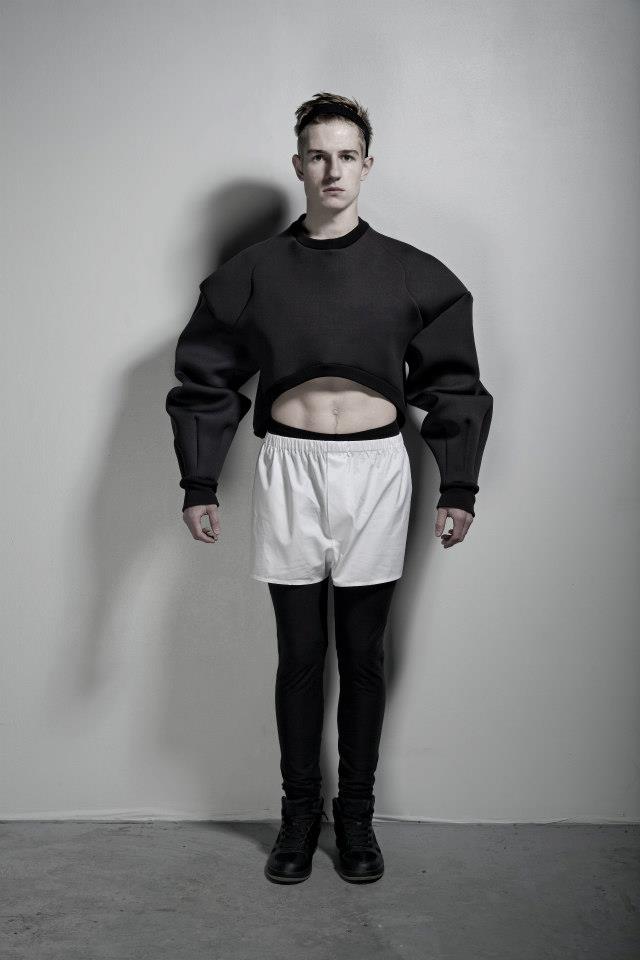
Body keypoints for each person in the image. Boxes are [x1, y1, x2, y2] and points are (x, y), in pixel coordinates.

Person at [165, 92, 493, 885]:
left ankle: (356, 819)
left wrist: (458, 486)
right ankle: (298, 815)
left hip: (377, 472)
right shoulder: (255, 272)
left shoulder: (412, 273)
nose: (332, 169)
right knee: (302, 655)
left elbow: (455, 382)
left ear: (367, 165)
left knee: (365, 654)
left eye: (347, 155)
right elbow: (204, 376)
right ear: (298, 164)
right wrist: (199, 480)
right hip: (290, 467)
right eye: (318, 155)